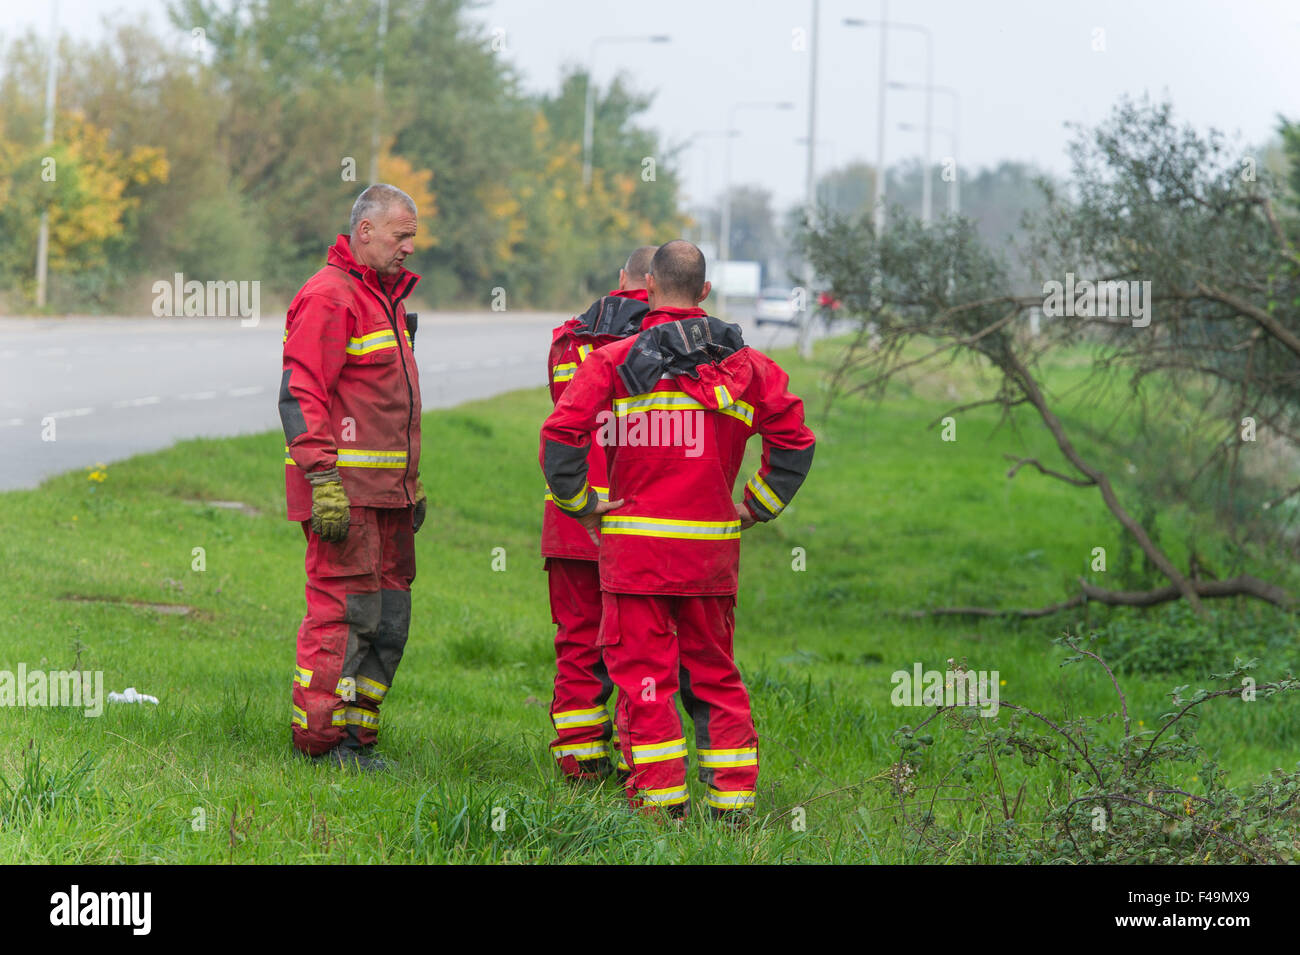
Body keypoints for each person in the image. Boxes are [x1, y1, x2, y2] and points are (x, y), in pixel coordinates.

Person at [540, 240, 815, 817]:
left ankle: (662, 804)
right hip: (710, 559)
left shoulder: (613, 361)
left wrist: (582, 503)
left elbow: (561, 435)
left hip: (636, 557)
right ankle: (733, 805)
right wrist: (757, 504)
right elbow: (794, 441)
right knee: (715, 676)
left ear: (647, 290)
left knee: (644, 680)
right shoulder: (751, 368)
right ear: (706, 292)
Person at [279, 183, 427, 771]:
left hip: (388, 500)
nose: (410, 247)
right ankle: (321, 746)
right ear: (365, 231)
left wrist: (411, 487)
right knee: (344, 619)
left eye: (413, 235)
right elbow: (300, 393)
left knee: (388, 621)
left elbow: (389, 406)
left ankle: (357, 740)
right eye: (402, 234)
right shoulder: (330, 296)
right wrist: (322, 478)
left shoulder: (382, 297)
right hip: (345, 496)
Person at [542, 246, 655, 781]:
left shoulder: (569, 338)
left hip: (572, 511)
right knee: (640, 649)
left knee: (576, 641)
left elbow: (563, 421)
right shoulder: (674, 341)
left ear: (620, 279)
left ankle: (581, 760)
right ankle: (646, 769)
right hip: (640, 519)